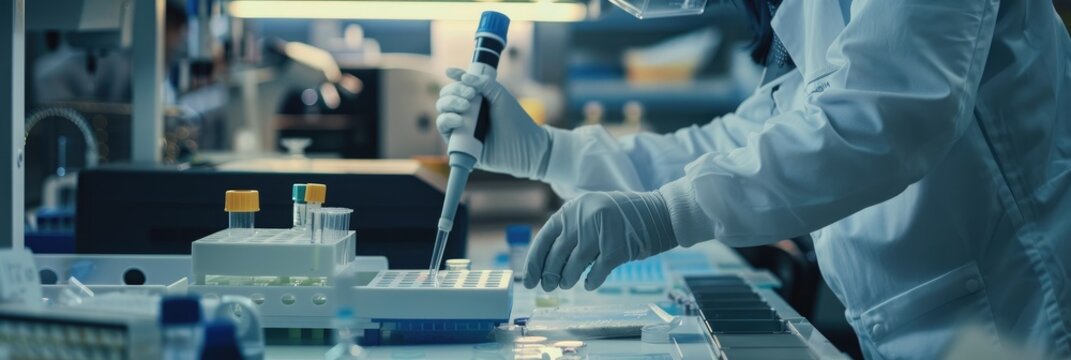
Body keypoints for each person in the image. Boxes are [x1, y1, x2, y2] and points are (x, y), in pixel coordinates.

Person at [436, 0, 1071, 358]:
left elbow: (884, 114)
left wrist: (664, 214)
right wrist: (550, 153)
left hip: (1017, 318)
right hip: (920, 327)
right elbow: (747, 138)